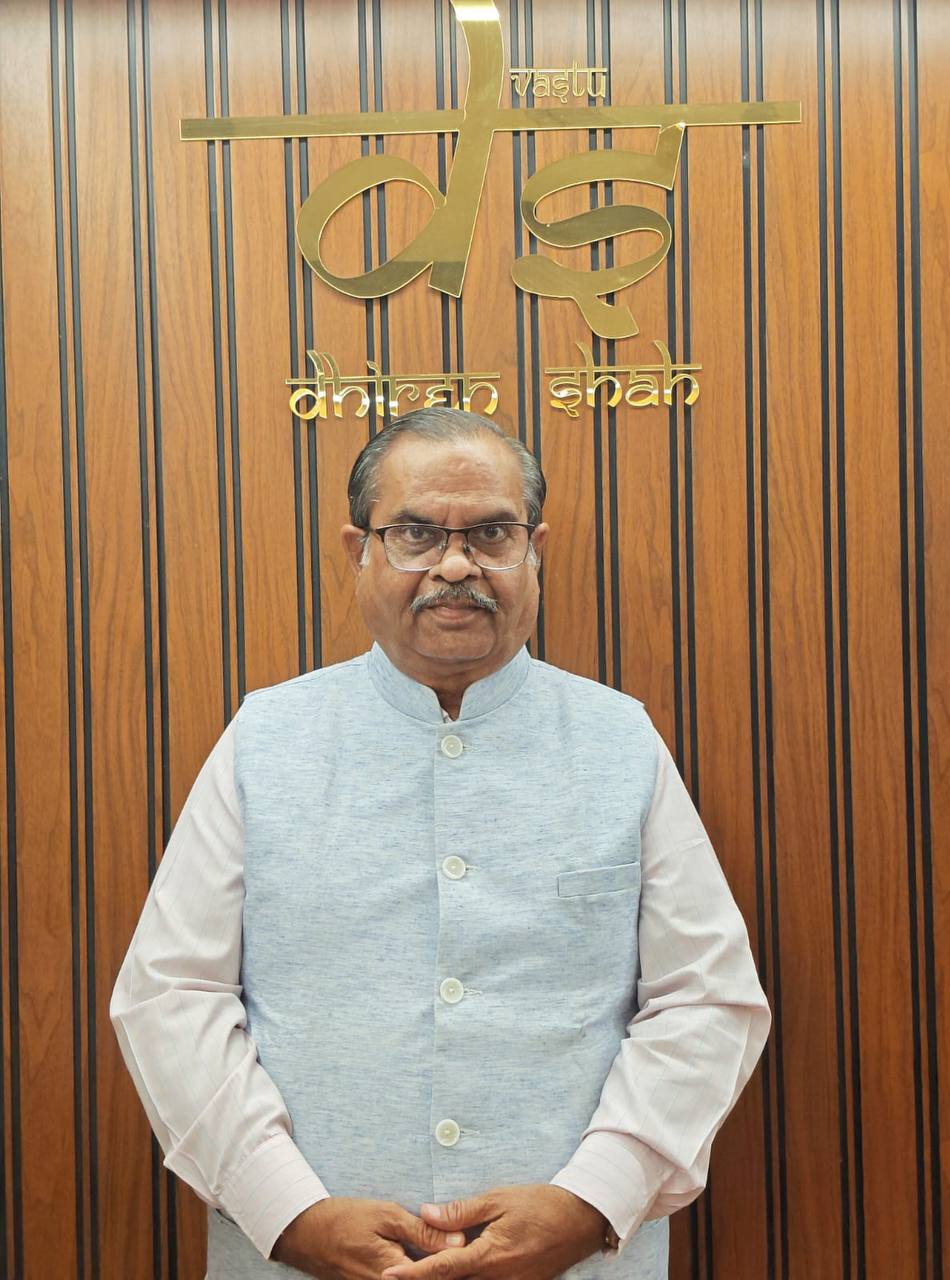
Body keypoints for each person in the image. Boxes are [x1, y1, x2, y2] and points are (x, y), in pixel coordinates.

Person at [111, 407, 770, 1280]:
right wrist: (286, 1210)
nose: (456, 566)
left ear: (534, 550)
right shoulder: (266, 739)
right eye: (416, 534)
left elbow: (706, 1000)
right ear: (359, 551)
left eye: (491, 534)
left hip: (579, 1261)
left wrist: (592, 1201)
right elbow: (171, 995)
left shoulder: (620, 741)